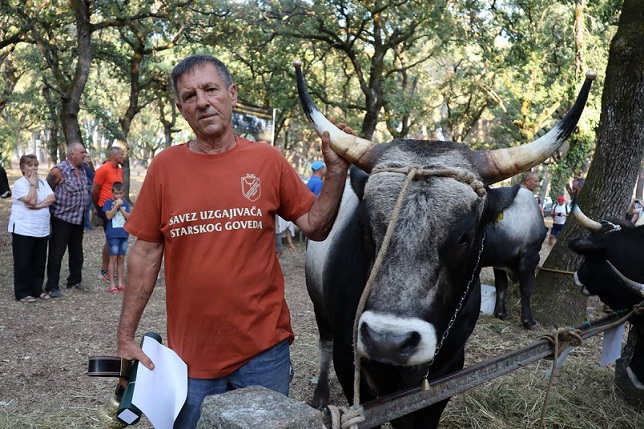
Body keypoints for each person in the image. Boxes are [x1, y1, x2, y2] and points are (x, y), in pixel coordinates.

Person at [115, 54, 349, 429]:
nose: (202, 101)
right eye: (190, 96)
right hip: (190, 359)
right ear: (181, 109)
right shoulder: (164, 168)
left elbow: (315, 225)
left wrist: (336, 173)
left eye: (210, 89)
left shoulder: (267, 159)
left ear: (231, 94)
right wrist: (126, 336)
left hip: (263, 352)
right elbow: (144, 253)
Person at [8, 154, 55, 302]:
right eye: (30, 165)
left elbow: (51, 197)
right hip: (23, 228)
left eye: (35, 165)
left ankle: (36, 289)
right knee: (23, 260)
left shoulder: (43, 181)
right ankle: (23, 292)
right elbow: (30, 199)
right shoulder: (20, 184)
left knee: (39, 260)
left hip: (41, 228)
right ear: (23, 168)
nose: (34, 168)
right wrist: (33, 185)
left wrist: (38, 206)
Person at [45, 143, 89, 297]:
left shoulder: (83, 170)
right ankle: (52, 286)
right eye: (82, 152)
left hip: (78, 219)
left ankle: (74, 281)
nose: (85, 155)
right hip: (61, 218)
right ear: (72, 154)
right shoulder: (59, 170)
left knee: (77, 252)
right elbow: (46, 190)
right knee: (57, 253)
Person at [91, 146, 125, 282]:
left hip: (118, 209)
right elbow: (94, 190)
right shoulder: (104, 169)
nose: (123, 157)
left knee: (115, 236)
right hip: (106, 207)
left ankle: (113, 269)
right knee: (110, 238)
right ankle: (104, 270)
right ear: (114, 156)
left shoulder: (119, 170)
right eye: (121, 154)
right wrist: (98, 207)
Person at [103, 181, 130, 294]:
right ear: (112, 193)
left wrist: (121, 207)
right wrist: (116, 207)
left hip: (123, 234)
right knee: (113, 258)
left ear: (123, 193)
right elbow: (108, 216)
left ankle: (120, 282)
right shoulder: (108, 203)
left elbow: (129, 217)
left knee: (121, 258)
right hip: (113, 235)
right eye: (116, 194)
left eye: (120, 194)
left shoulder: (126, 204)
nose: (118, 196)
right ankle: (112, 284)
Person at [82, 152, 96, 230]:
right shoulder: (83, 167)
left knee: (88, 208)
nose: (89, 158)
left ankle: (87, 225)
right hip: (88, 188)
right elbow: (86, 179)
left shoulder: (87, 167)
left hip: (90, 188)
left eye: (89, 157)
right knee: (86, 208)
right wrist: (90, 186)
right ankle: (86, 226)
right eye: (87, 157)